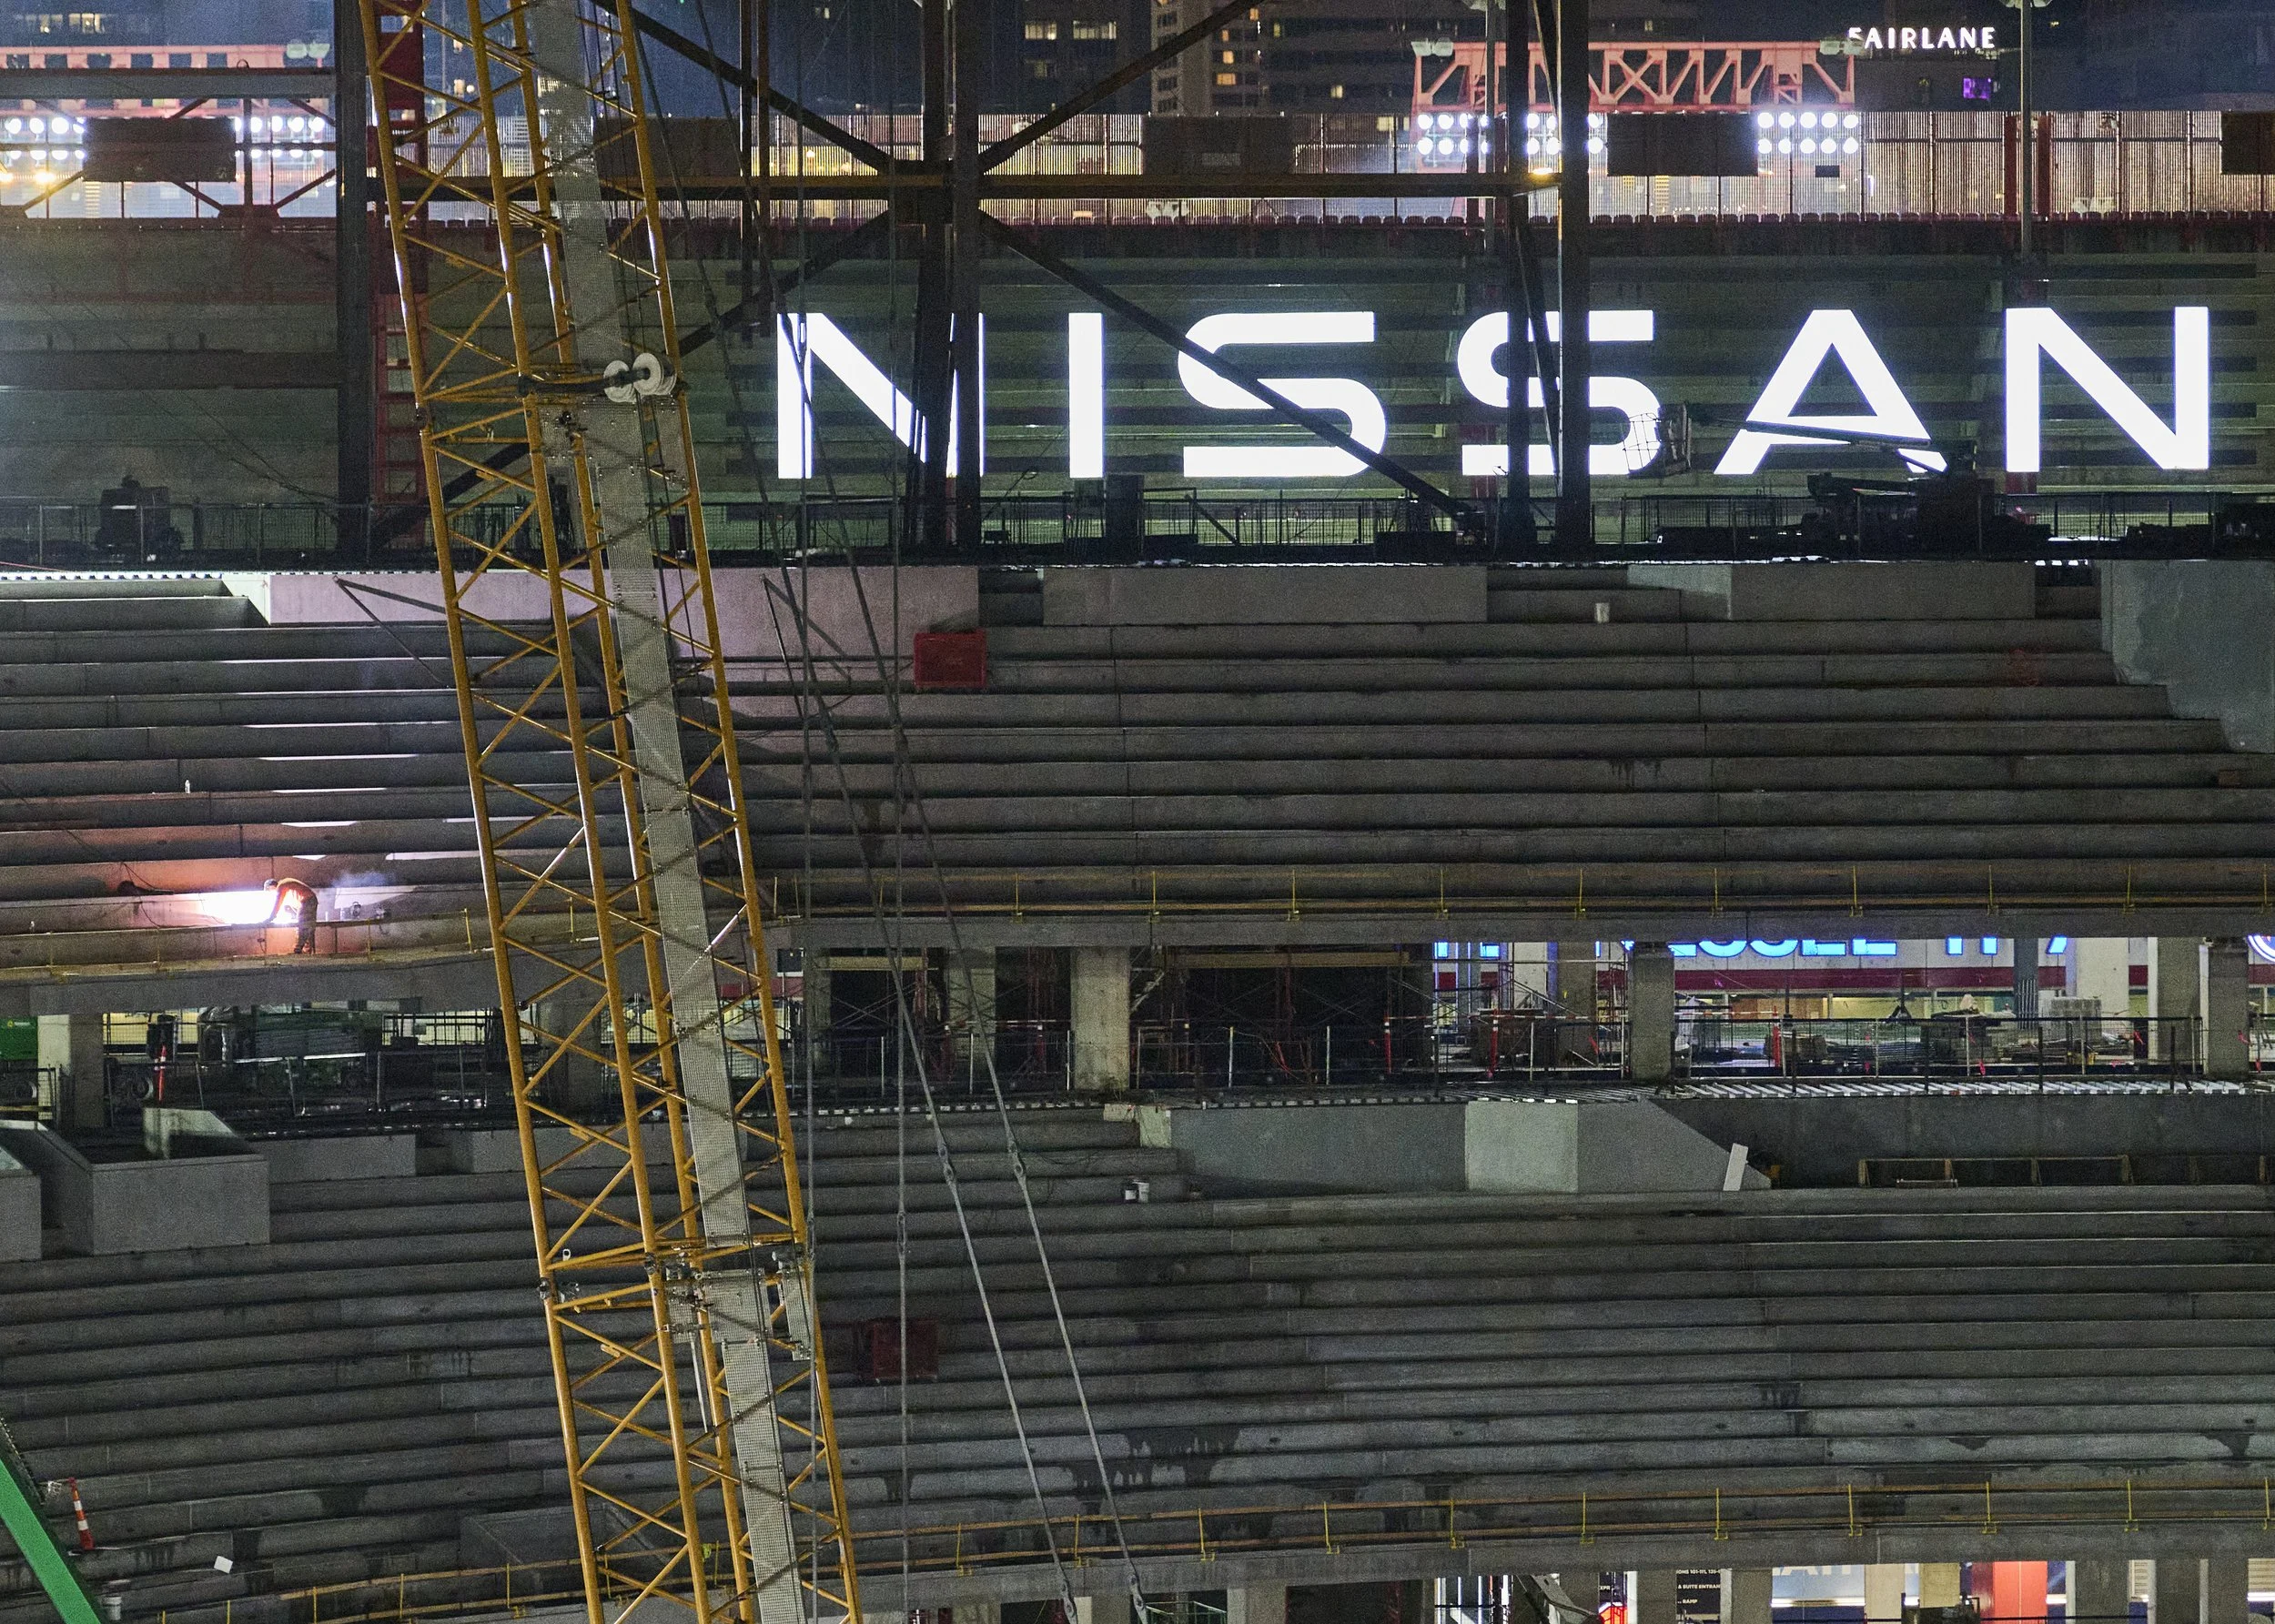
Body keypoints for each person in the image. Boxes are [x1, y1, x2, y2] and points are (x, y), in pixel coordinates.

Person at [266, 878, 320, 954]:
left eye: (269, 890)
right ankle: (307, 952)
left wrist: (271, 917)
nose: (272, 892)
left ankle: (298, 950)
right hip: (310, 900)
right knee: (308, 926)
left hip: (307, 901)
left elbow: (277, 903)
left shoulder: (281, 886)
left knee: (303, 926)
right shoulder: (286, 884)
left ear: (270, 887)